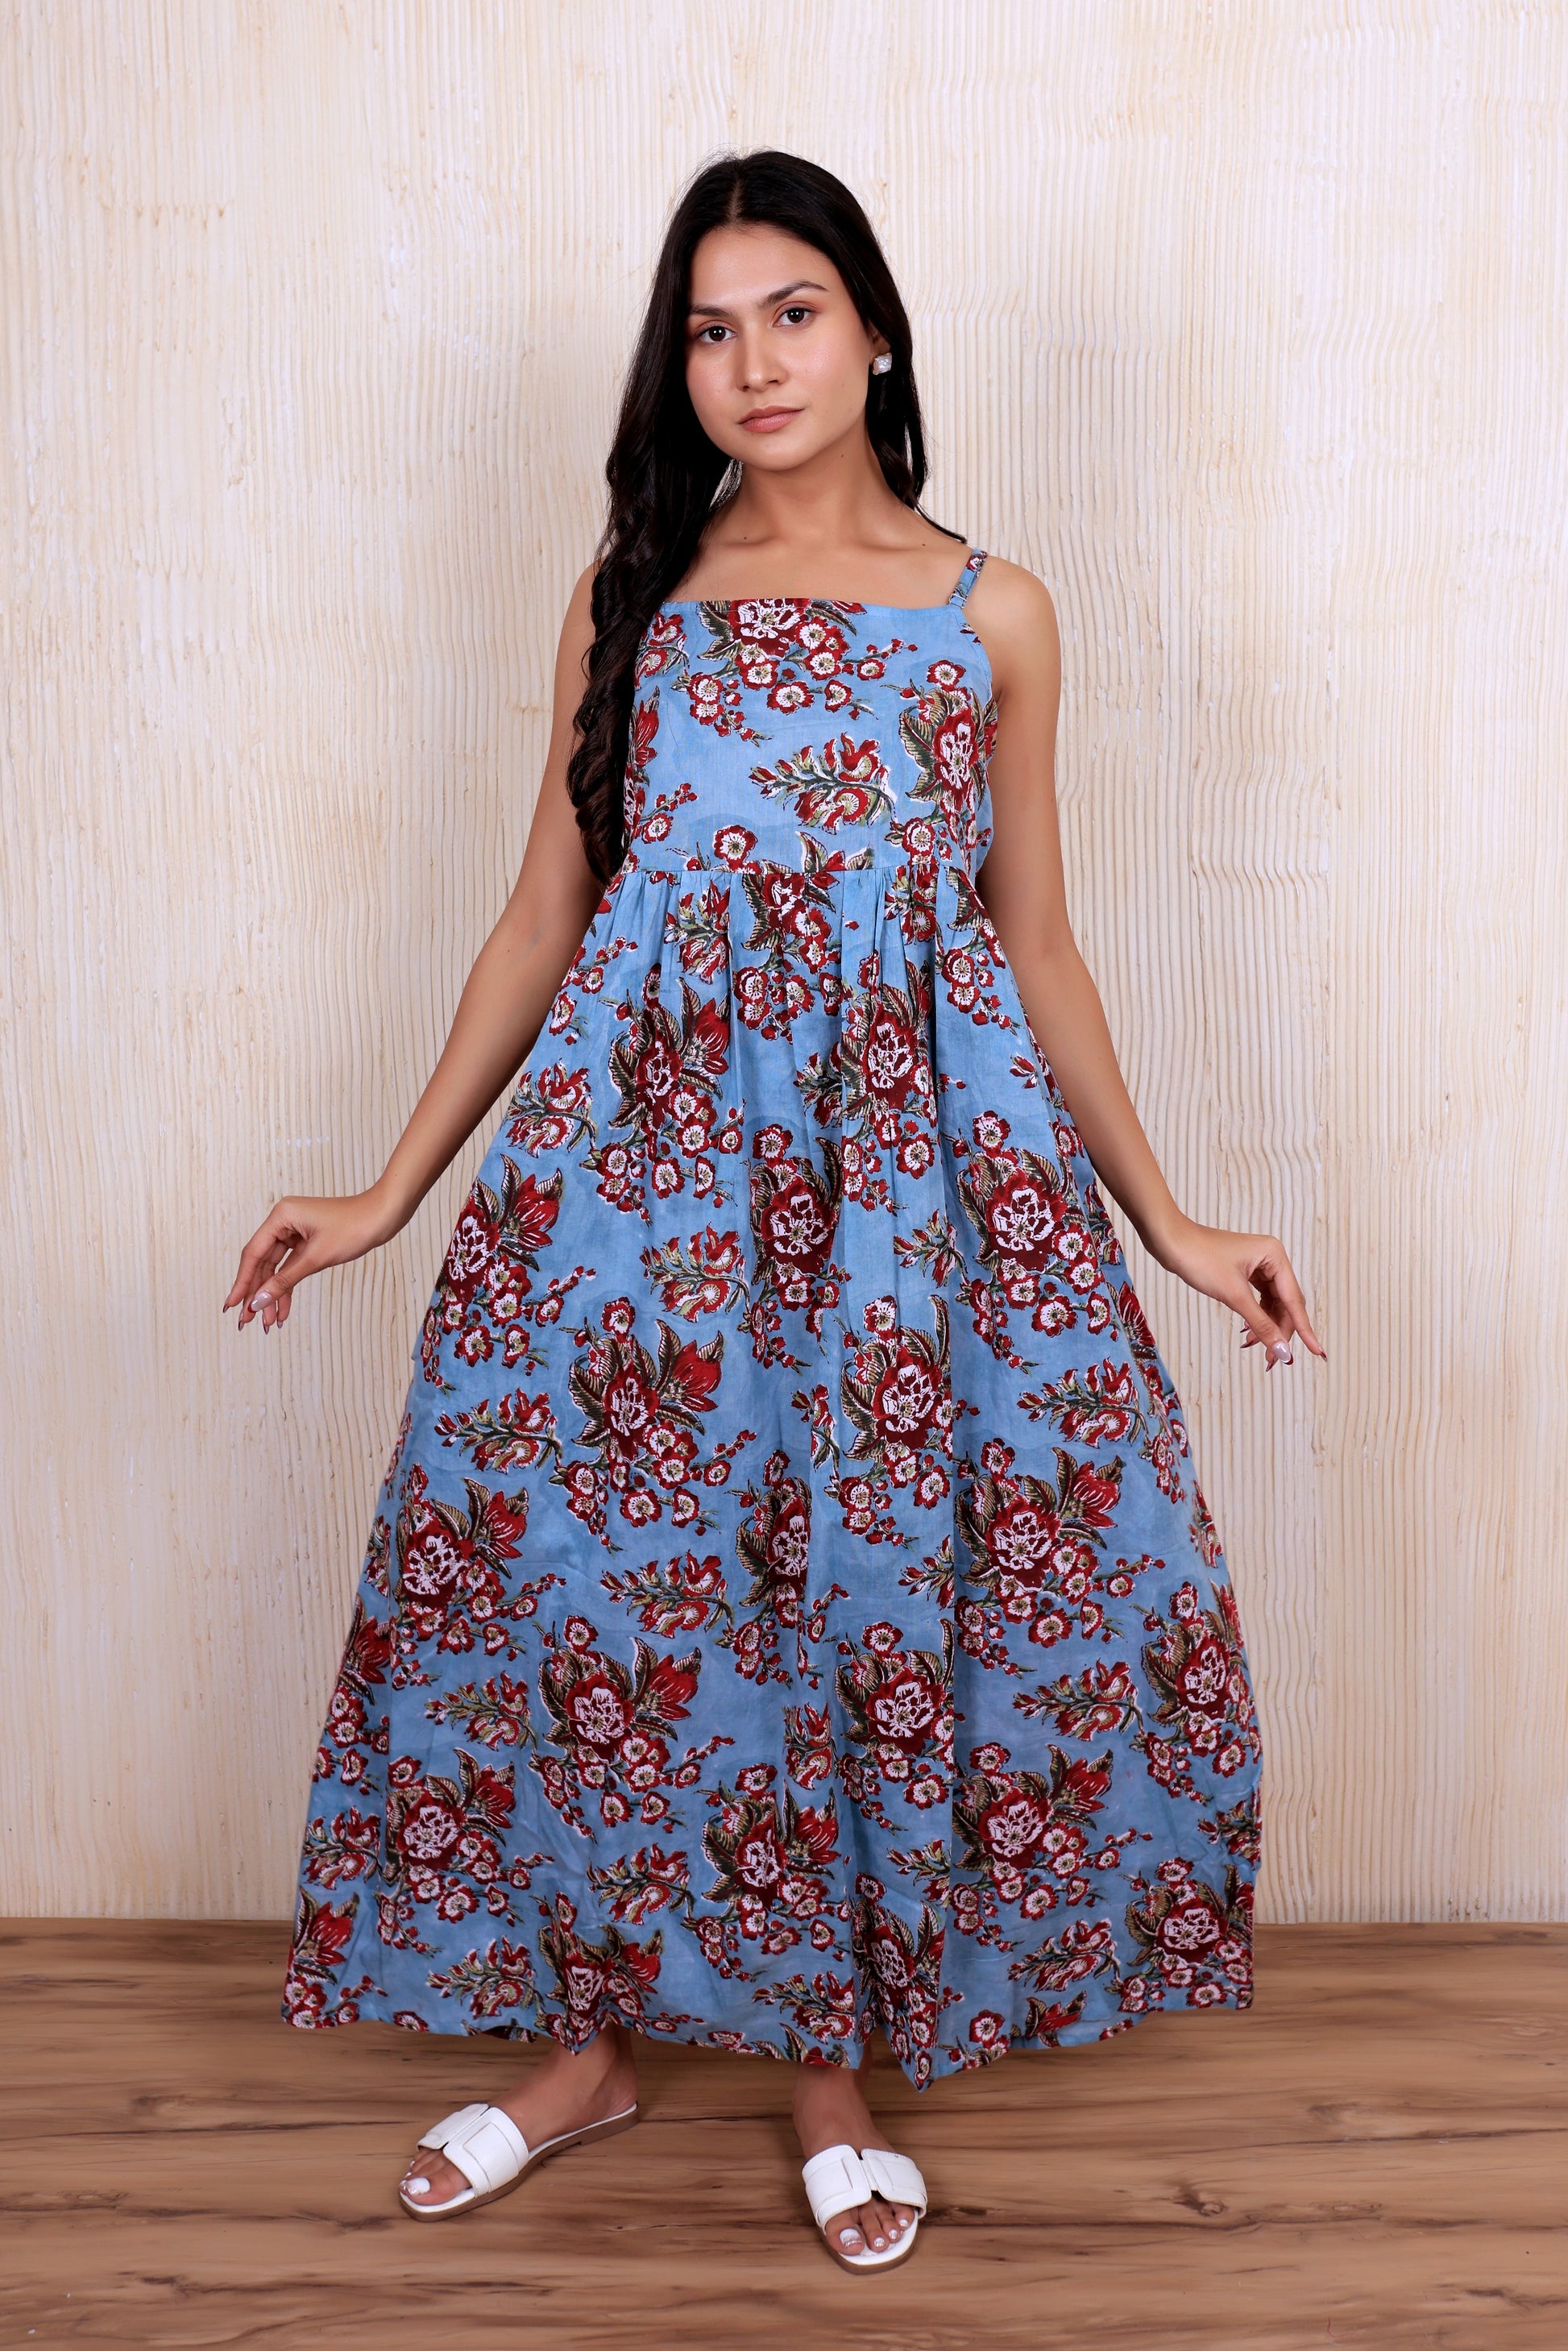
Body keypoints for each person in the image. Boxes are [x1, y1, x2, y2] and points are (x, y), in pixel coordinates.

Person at [225, 148, 1323, 2276]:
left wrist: (1172, 1222)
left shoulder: (990, 612)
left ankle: (832, 2071)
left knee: (859, 1590)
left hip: (908, 1192)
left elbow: (1037, 940)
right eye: (710, 331)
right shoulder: (631, 597)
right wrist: (385, 1186)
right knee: (610, 1591)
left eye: (793, 313)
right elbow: (546, 912)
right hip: (633, 1185)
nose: (752, 364)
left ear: (875, 331)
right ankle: (592, 2047)